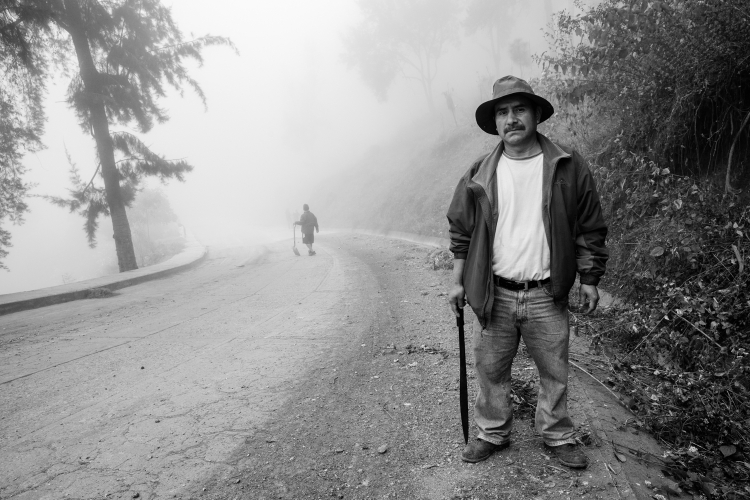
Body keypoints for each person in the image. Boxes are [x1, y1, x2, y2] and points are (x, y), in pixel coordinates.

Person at [446, 76, 608, 469]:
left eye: (519, 109)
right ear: (495, 121)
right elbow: (461, 232)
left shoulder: (567, 165)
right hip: (494, 291)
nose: (511, 119)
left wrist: (589, 278)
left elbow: (590, 226)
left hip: (546, 292)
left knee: (555, 370)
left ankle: (557, 434)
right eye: (502, 112)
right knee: (491, 369)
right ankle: (492, 431)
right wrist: (456, 281)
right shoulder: (479, 172)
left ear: (536, 115)